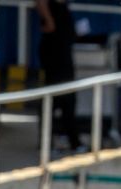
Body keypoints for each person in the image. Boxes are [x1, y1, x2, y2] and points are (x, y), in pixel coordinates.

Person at [35, 0, 84, 152]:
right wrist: (48, 20)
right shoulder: (51, 11)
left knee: (66, 97)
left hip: (62, 46)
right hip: (55, 49)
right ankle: (51, 142)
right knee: (56, 96)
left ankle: (69, 139)